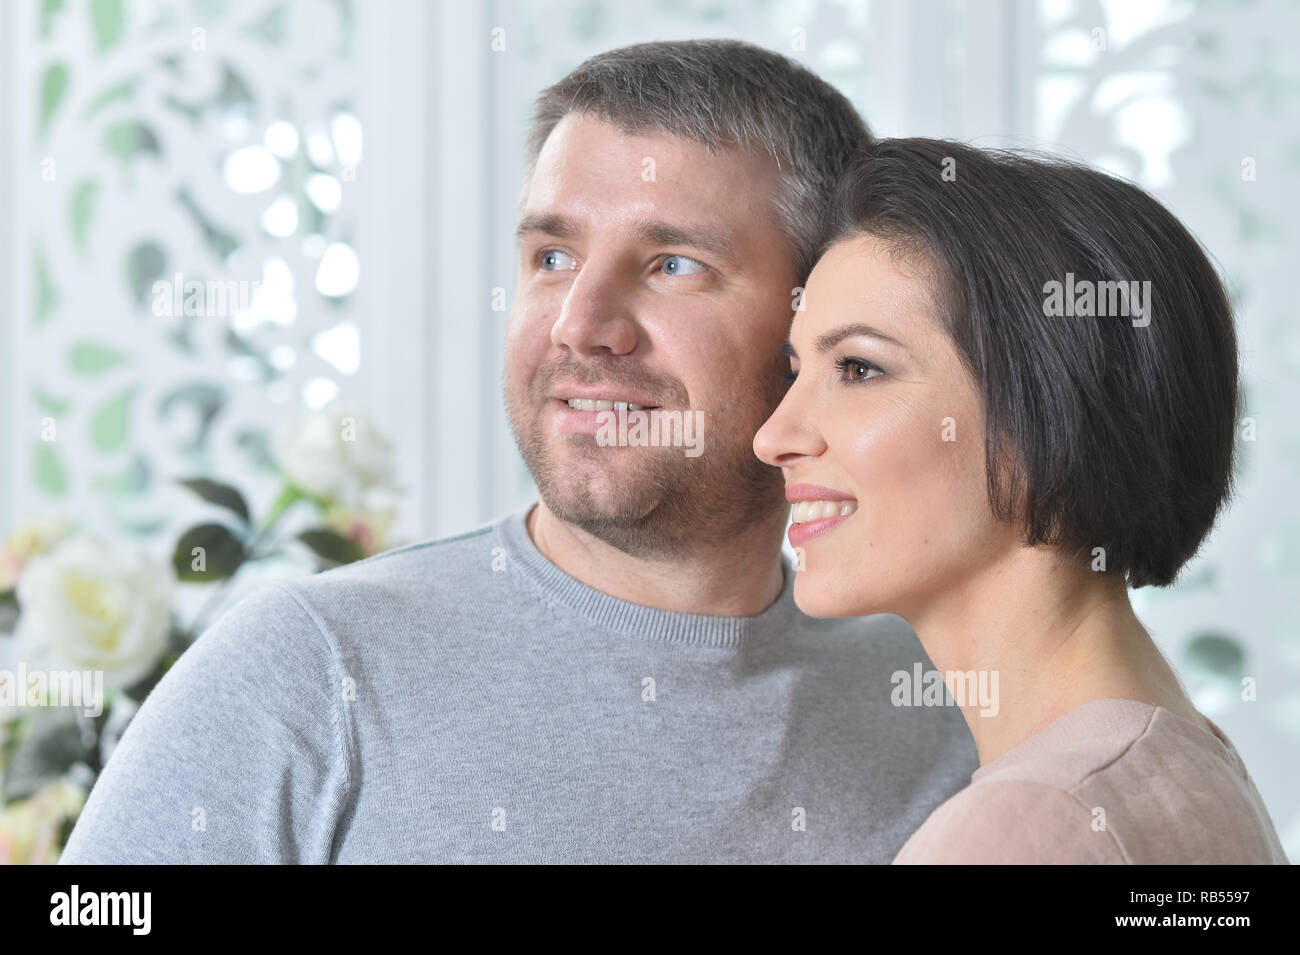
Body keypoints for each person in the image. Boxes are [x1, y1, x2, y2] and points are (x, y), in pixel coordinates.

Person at [60, 41, 977, 864]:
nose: (582, 325)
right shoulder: (309, 668)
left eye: (673, 264)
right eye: (551, 256)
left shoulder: (936, 700)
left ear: (818, 317)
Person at [754, 137, 1288, 864]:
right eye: (796, 369)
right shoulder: (1178, 764)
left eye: (857, 367)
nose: (774, 435)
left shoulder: (1024, 827)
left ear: (1048, 415)